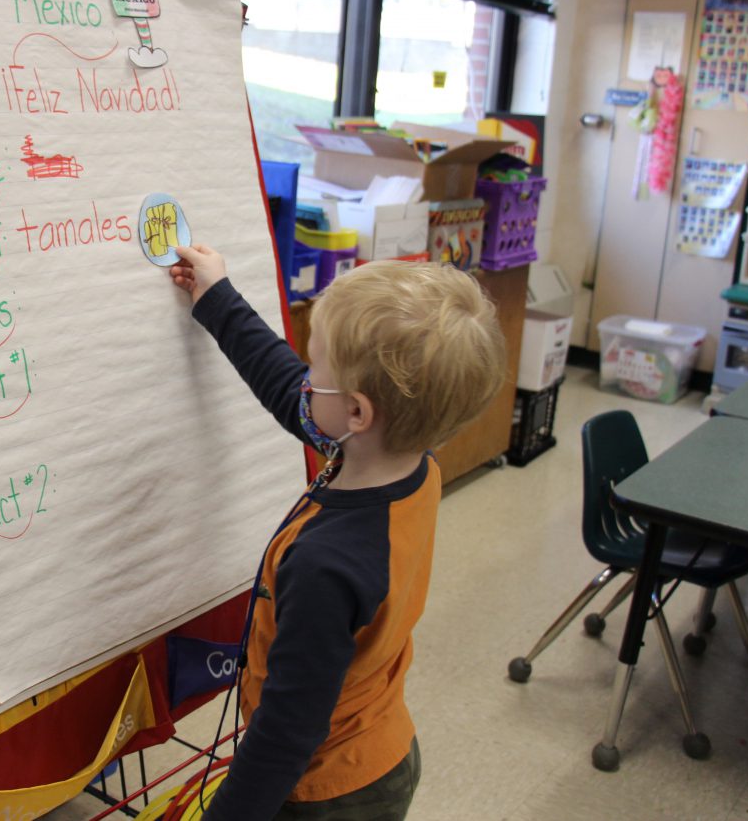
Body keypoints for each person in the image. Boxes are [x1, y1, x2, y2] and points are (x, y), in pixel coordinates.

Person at [169, 244, 506, 821]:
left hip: (326, 795)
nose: (306, 378)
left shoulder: (327, 564)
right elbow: (285, 388)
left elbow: (283, 737)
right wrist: (215, 295)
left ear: (357, 413)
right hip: (381, 745)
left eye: (316, 367)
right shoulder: (409, 465)